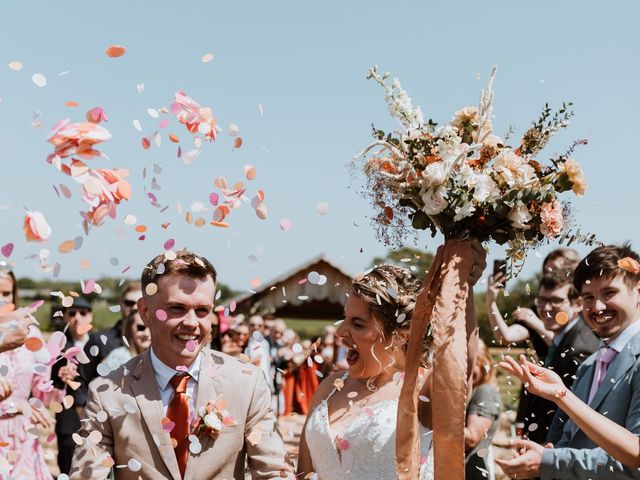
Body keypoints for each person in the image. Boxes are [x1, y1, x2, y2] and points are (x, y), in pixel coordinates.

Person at [70, 249, 291, 480]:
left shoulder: (246, 383)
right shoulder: (108, 392)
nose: (192, 323)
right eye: (177, 308)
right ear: (145, 311)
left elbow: (273, 471)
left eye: (202, 310)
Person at [297, 242, 486, 480]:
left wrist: (461, 285)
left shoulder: (423, 390)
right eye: (344, 318)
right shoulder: (330, 387)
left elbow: (462, 362)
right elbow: (303, 471)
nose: (341, 332)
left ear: (401, 335)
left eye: (358, 324)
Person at [495, 244, 640, 479]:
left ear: (638, 291)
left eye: (609, 293)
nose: (598, 307)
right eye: (588, 297)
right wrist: (542, 454)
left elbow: (636, 459)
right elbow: (567, 441)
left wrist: (551, 461)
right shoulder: (590, 365)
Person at [0, 269, 69, 479]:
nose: (1, 300)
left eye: (6, 293)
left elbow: (40, 393)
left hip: (22, 436)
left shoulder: (31, 333)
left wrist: (59, 379)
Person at [517, 269, 598, 444]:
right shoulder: (561, 339)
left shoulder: (579, 349)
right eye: (542, 300)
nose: (546, 308)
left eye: (556, 300)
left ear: (577, 304)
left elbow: (577, 412)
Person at [77, 282, 142, 404]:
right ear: (120, 304)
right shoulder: (100, 340)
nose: (134, 307)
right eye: (129, 303)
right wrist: (83, 412)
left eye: (139, 303)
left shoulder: (156, 340)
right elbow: (82, 380)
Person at [50, 296, 93, 475]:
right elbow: (47, 381)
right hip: (68, 419)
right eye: (72, 313)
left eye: (82, 313)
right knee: (68, 465)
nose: (78, 317)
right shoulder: (57, 346)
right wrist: (60, 376)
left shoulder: (100, 343)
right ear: (66, 317)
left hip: (95, 414)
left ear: (90, 316)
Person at [465, 340, 501, 480]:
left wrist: (437, 421)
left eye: (472, 363)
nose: (466, 369)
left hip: (473, 473)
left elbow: (471, 438)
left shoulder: (486, 391)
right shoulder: (473, 390)